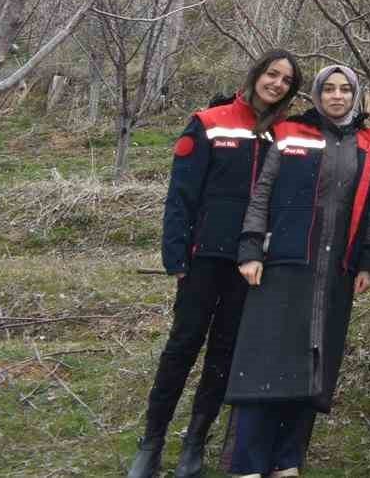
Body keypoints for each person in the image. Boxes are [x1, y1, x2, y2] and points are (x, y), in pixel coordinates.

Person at [126, 49, 302, 478]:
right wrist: (176, 256)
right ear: (257, 73)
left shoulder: (287, 133)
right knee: (183, 346)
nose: (276, 84)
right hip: (204, 256)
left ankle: (195, 443)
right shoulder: (210, 120)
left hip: (251, 263)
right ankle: (152, 441)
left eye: (285, 81)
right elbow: (180, 196)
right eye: (271, 74)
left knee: (224, 352)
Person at [225, 65, 370, 478]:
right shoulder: (292, 132)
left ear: (355, 95)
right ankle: (247, 462)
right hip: (284, 262)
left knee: (316, 361)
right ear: (316, 94)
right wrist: (249, 248)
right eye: (328, 89)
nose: (336, 96)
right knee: (267, 359)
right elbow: (261, 194)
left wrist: (368, 259)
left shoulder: (368, 142)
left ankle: (287, 459)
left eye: (344, 89)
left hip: (336, 270)